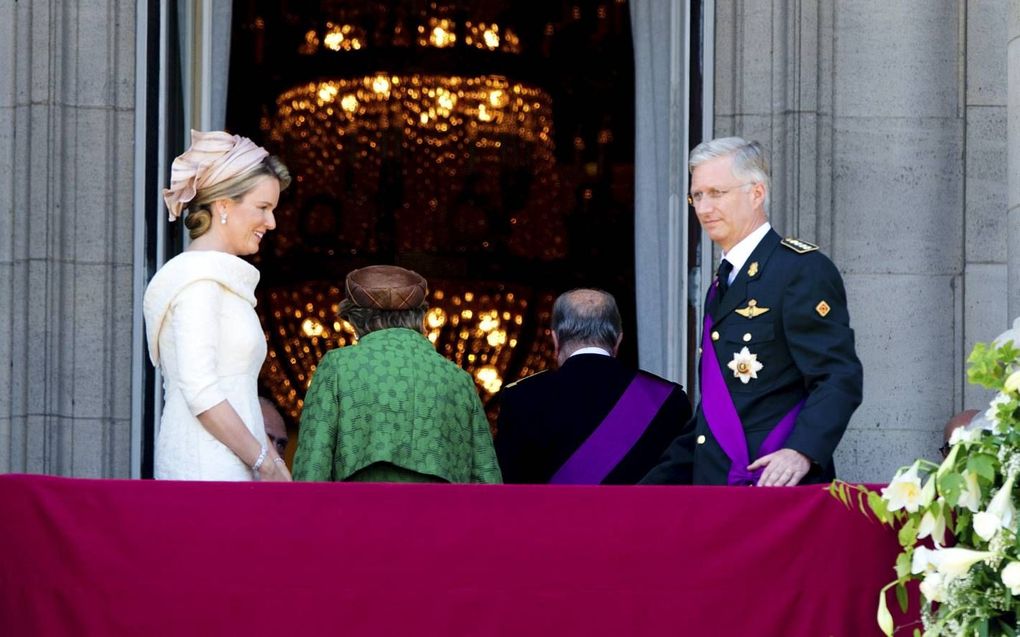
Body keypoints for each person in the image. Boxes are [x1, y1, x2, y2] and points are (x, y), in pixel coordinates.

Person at [642, 137, 863, 486]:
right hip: (720, 489)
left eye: (717, 193)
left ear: (756, 193)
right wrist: (642, 492)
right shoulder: (725, 279)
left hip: (772, 487)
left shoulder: (799, 270)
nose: (703, 207)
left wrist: (802, 451)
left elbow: (838, 376)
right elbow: (717, 411)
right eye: (697, 195)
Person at [143, 130, 292, 481]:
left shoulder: (219, 279)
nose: (271, 223)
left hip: (234, 464)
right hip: (205, 470)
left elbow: (237, 396)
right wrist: (265, 463)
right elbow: (200, 389)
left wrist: (273, 460)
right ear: (223, 206)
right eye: (263, 208)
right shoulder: (198, 280)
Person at [292, 265, 502, 483]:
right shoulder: (460, 380)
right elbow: (488, 480)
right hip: (442, 515)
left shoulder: (338, 366)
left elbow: (312, 465)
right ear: (420, 315)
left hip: (360, 514)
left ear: (355, 317)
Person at [495, 289, 692, 484]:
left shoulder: (521, 397)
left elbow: (509, 488)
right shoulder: (667, 399)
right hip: (640, 517)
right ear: (618, 339)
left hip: (551, 517)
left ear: (555, 339)